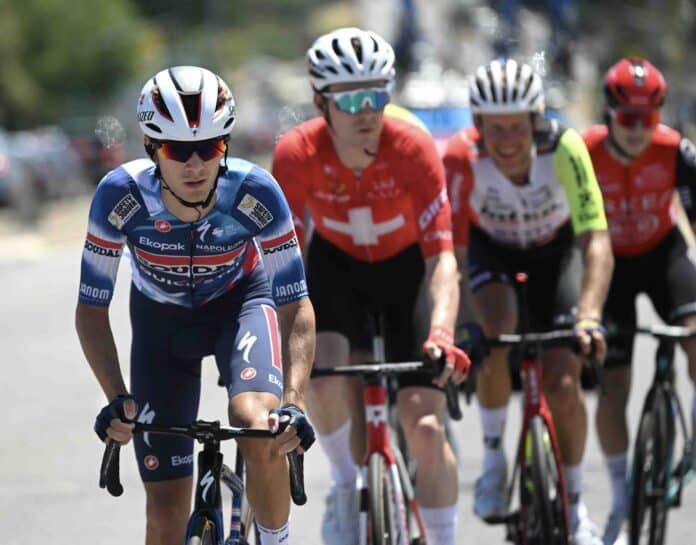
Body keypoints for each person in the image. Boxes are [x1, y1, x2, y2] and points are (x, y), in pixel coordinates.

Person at [75, 66, 316, 545]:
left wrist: (295, 401)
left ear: (225, 145)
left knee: (257, 424)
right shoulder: (119, 196)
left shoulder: (256, 192)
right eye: (177, 151)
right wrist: (116, 398)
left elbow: (295, 304)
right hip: (160, 322)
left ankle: (276, 538)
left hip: (241, 301)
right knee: (164, 519)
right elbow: (90, 309)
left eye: (209, 148)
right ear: (150, 147)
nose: (195, 165)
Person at [272, 27, 470, 545]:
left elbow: (442, 258)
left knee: (424, 427)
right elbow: (286, 265)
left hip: (405, 274)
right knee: (323, 373)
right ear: (320, 102)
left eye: (378, 96)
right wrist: (284, 340)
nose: (367, 111)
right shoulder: (296, 154)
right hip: (336, 269)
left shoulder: (413, 148)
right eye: (352, 99)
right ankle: (344, 484)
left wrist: (444, 331)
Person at [444, 58, 613, 545]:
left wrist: (589, 315)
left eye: (517, 126)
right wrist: (464, 322)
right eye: (494, 129)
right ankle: (495, 459)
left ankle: (577, 508)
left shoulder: (564, 147)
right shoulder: (460, 157)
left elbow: (596, 240)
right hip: (489, 250)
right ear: (477, 126)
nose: (507, 140)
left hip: (554, 254)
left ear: (535, 120)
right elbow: (450, 252)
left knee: (564, 384)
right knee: (494, 329)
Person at [582, 57, 696, 545]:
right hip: (612, 263)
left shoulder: (677, 151)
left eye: (648, 118)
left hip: (661, 252)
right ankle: (620, 493)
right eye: (628, 118)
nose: (637, 129)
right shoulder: (584, 151)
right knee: (615, 378)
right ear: (610, 113)